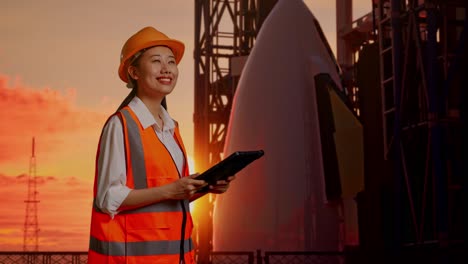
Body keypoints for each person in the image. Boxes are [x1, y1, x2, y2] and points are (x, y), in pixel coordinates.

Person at [88, 26, 235, 264]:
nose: (166, 68)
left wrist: (204, 186)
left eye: (171, 62)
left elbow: (168, 196)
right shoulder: (121, 125)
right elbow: (108, 198)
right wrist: (171, 190)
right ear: (134, 72)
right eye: (156, 61)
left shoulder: (171, 129)